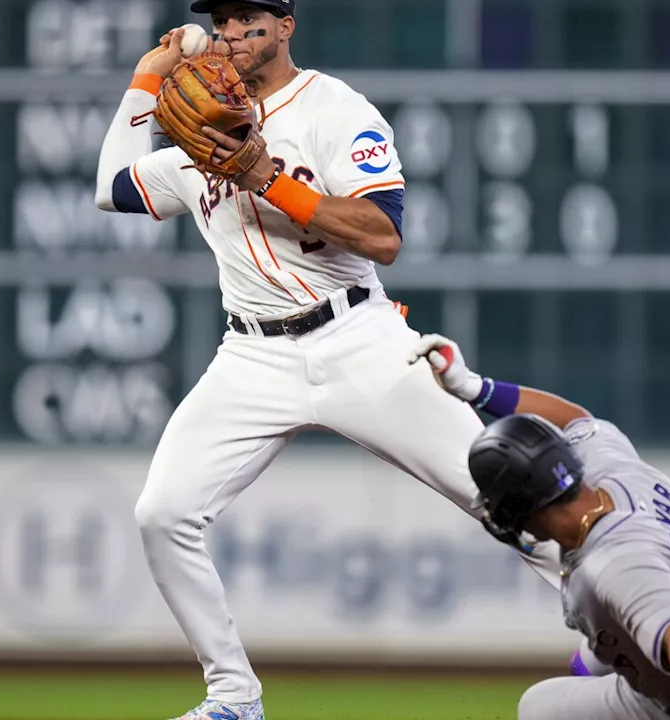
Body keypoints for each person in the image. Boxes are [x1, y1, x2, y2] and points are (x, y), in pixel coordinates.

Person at [93, 3, 561, 718]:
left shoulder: (334, 107)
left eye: (248, 18)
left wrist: (269, 181)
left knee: (513, 503)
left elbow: (382, 236)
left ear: (284, 26)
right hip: (250, 355)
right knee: (162, 513)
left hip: (356, 338)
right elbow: (111, 187)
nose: (230, 33)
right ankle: (233, 698)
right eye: (220, 22)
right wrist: (146, 82)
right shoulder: (198, 129)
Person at [407, 333, 670, 720]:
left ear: (523, 506)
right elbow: (576, 419)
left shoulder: (615, 563)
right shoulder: (608, 469)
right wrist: (474, 388)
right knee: (583, 669)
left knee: (540, 710)